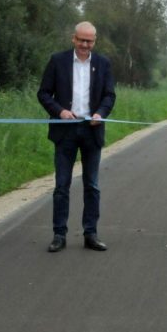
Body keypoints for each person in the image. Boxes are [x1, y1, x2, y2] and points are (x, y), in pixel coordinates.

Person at [38, 21, 116, 253]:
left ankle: (90, 233)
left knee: (92, 185)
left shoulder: (103, 64)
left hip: (92, 131)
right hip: (65, 132)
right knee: (62, 185)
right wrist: (59, 111)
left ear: (94, 41)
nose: (85, 44)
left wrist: (100, 113)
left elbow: (109, 95)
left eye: (89, 41)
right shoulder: (57, 61)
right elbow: (43, 93)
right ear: (73, 38)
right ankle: (59, 234)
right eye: (81, 40)